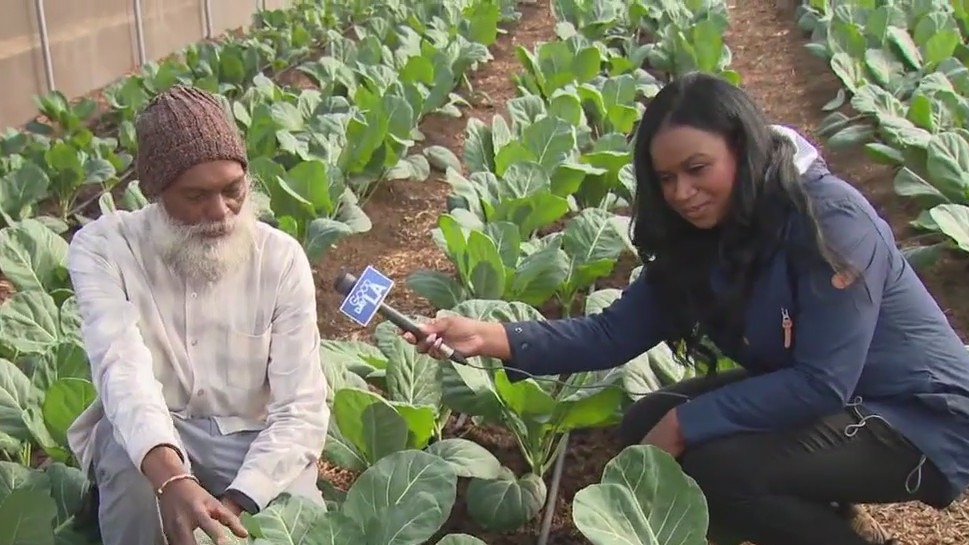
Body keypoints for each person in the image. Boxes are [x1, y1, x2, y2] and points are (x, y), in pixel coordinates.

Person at [405, 72, 969, 545]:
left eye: (698, 170)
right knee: (643, 424)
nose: (680, 193)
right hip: (835, 404)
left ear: (742, 149)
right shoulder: (701, 234)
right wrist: (489, 336)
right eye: (666, 179)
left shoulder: (829, 222)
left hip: (918, 419)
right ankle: (826, 518)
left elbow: (823, 382)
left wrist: (685, 424)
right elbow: (612, 333)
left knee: (715, 464)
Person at [66, 85, 330, 545]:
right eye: (195, 196)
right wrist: (172, 480)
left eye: (233, 190)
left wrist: (233, 509)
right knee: (125, 458)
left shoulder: (280, 258)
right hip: (153, 433)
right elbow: (121, 370)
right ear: (156, 191)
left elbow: (299, 409)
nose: (221, 212)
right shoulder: (105, 249)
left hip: (252, 439)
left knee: (297, 520)